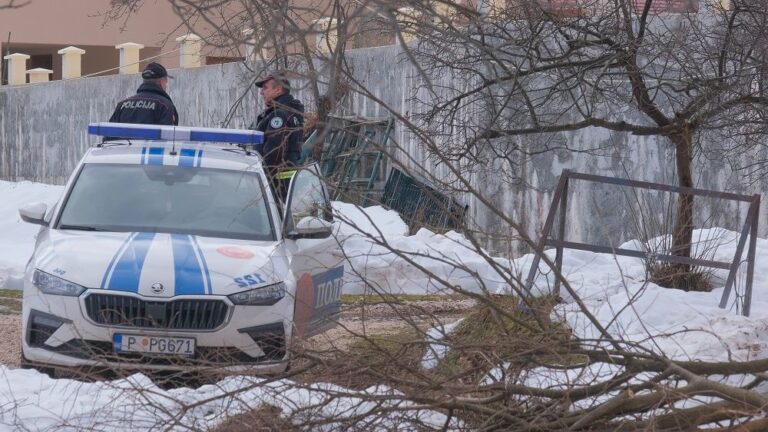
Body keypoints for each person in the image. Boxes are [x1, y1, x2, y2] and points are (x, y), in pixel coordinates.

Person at [251, 71, 305, 201]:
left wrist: (261, 179)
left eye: (265, 88)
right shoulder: (289, 111)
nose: (261, 92)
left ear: (278, 90)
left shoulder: (279, 115)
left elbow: (273, 153)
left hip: (275, 184)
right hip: (282, 182)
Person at [109, 62, 179, 126]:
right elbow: (168, 135)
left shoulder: (122, 105)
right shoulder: (165, 106)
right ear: (161, 82)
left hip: (123, 140)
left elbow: (109, 134)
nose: (166, 85)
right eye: (166, 81)